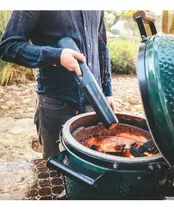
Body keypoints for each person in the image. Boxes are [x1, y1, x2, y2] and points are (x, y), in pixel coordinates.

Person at [0, 11, 115, 160]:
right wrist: (57, 56)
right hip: (56, 104)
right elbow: (9, 45)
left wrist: (107, 91)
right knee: (57, 165)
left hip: (95, 102)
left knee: (92, 163)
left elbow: (102, 47)